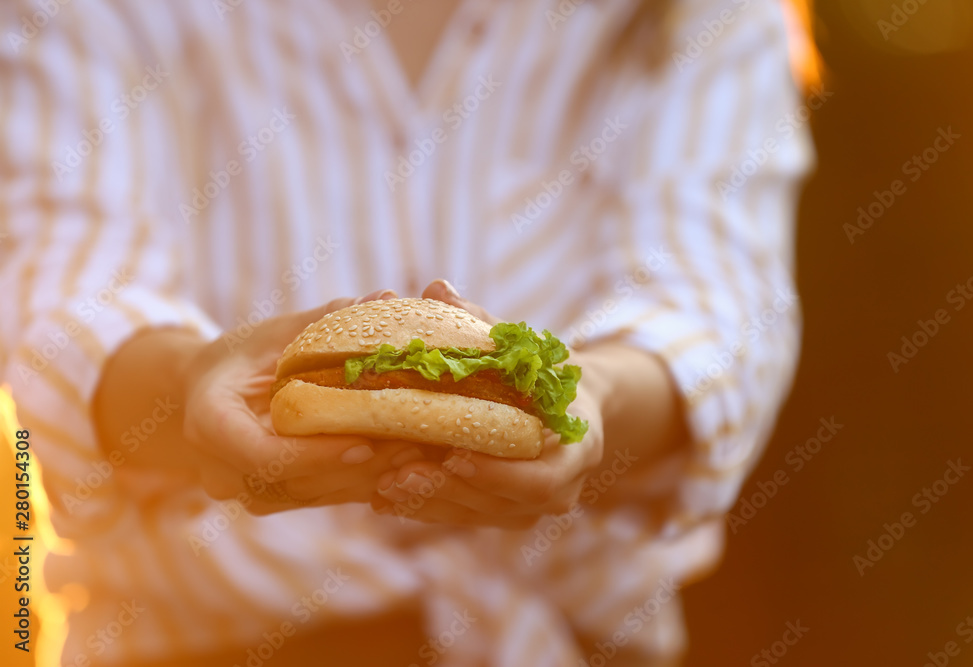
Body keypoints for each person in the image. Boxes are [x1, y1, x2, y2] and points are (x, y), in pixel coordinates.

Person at [0, 0, 813, 664]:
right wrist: (190, 385)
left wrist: (590, 400)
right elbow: (66, 289)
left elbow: (716, 311)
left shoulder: (703, 16)